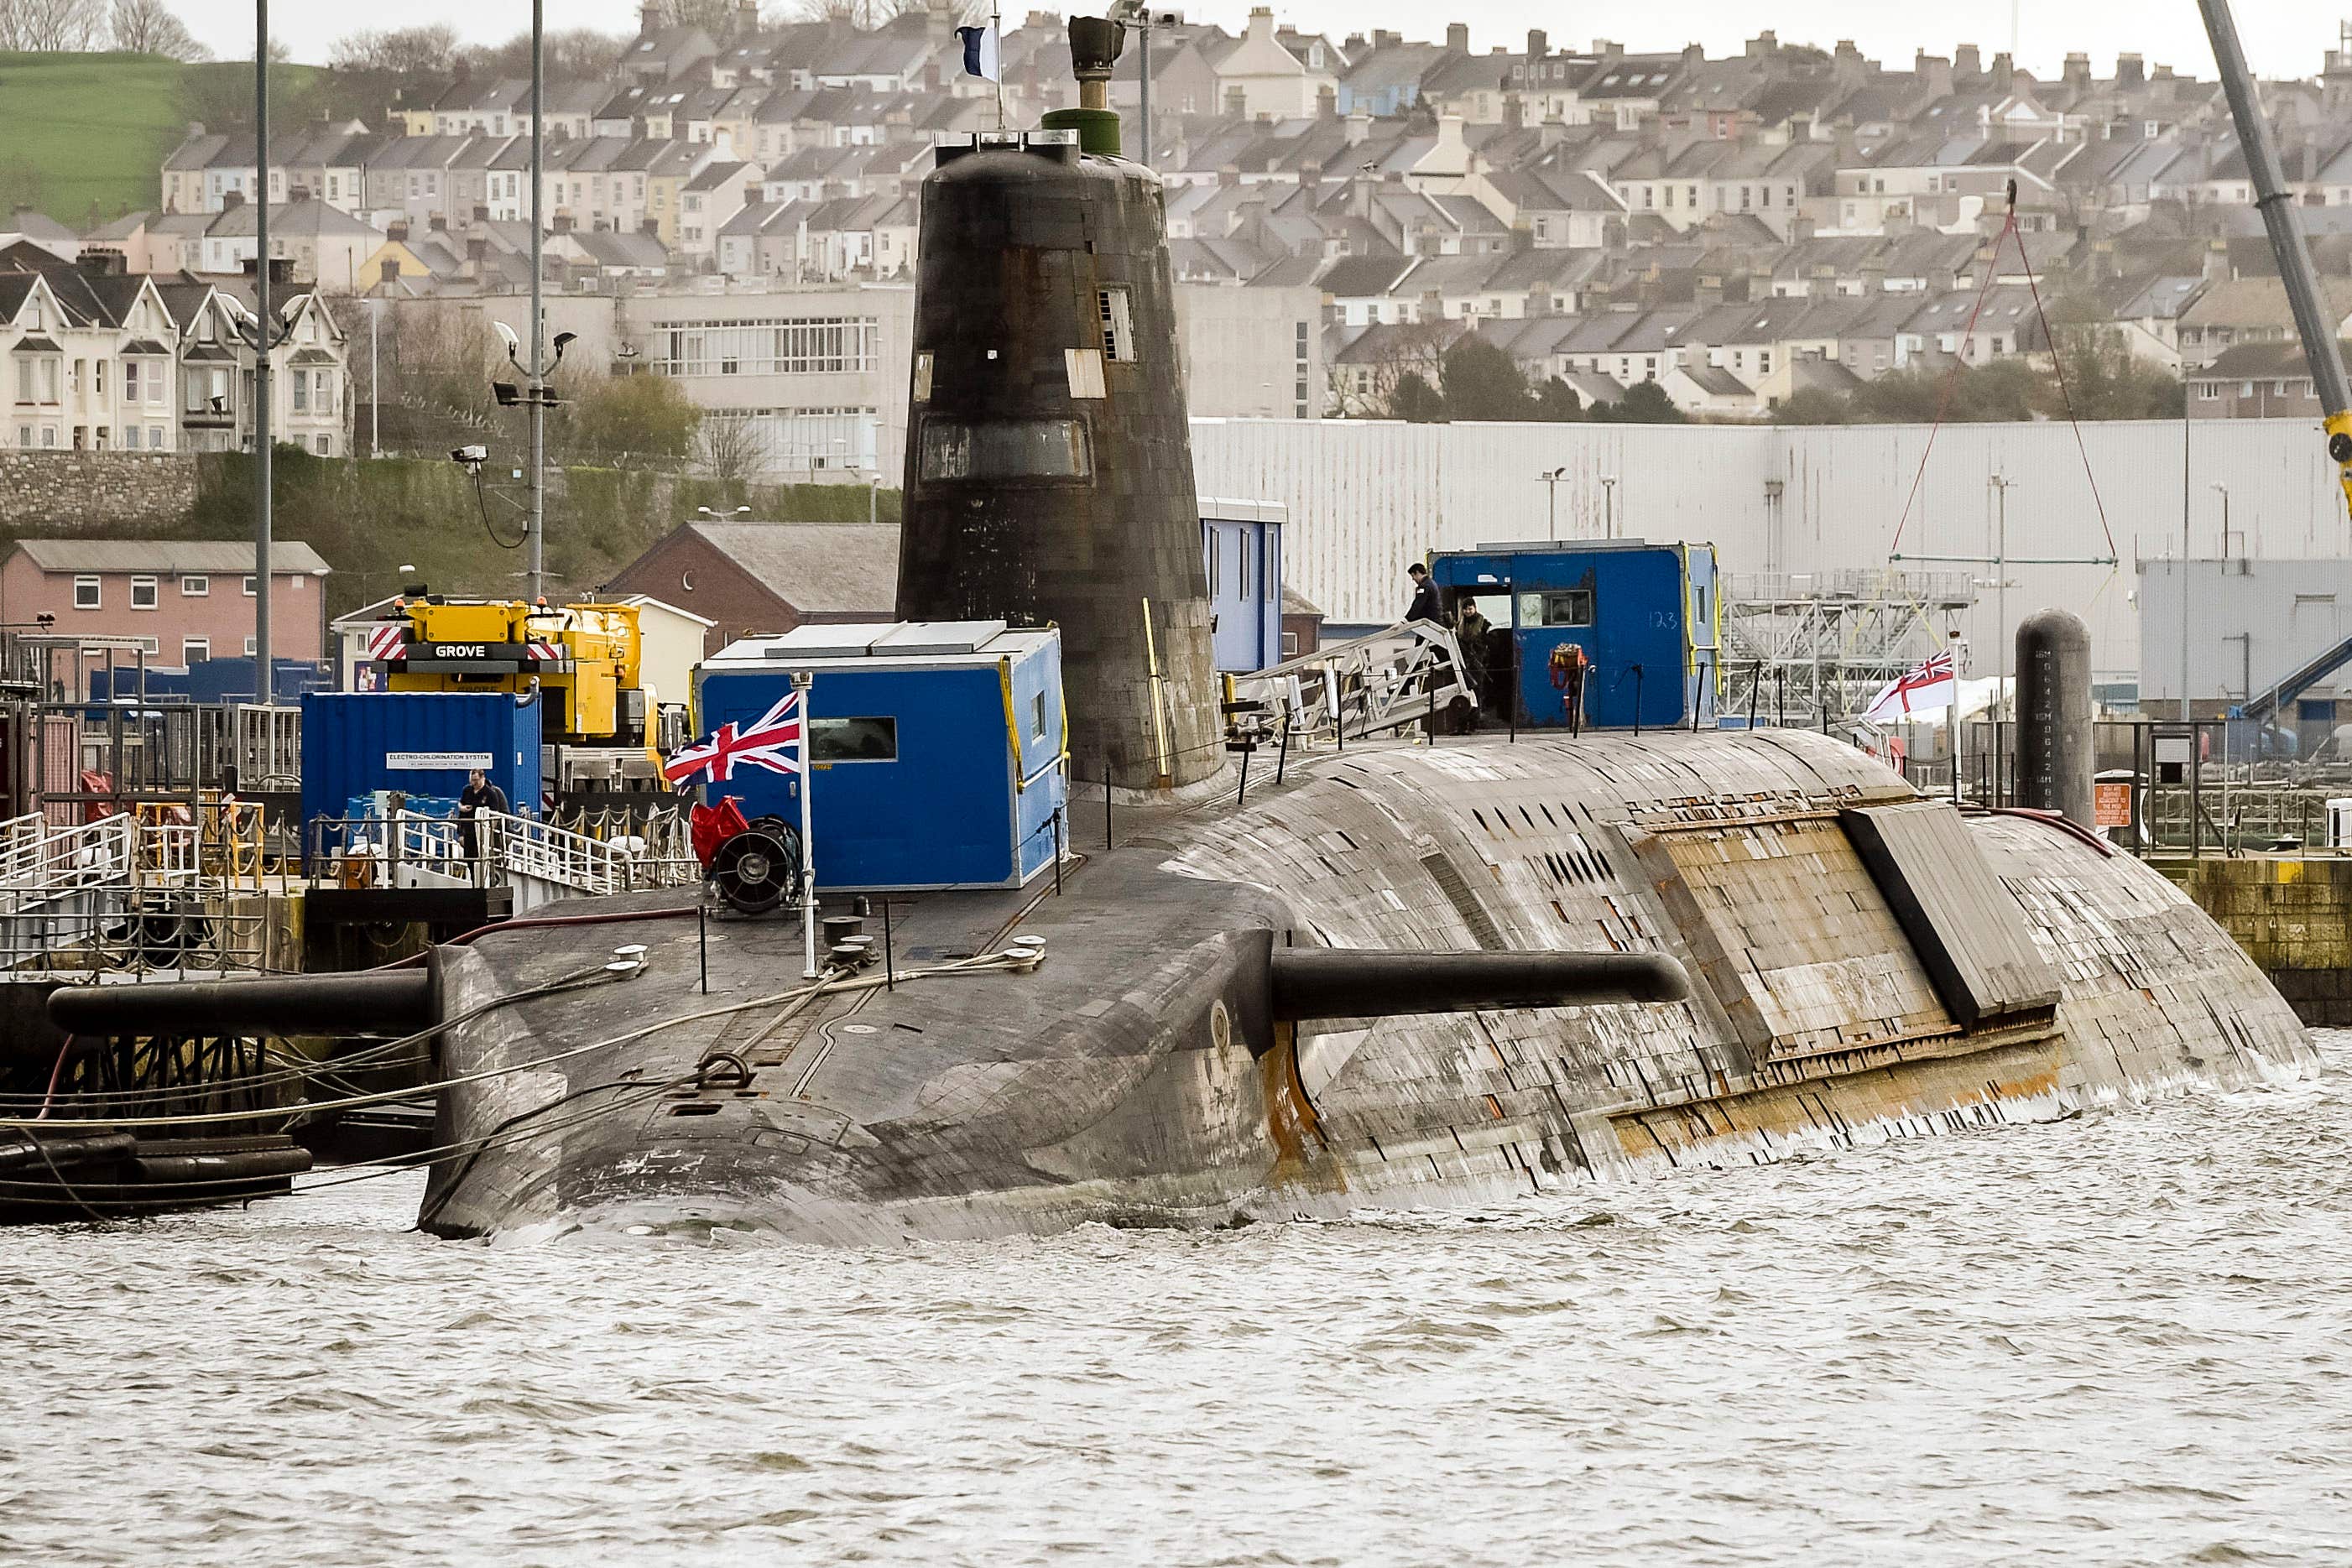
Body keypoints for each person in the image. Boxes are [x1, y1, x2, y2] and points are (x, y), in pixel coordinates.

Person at [457, 767, 508, 867]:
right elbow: (461, 811)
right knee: (469, 859)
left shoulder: (490, 794)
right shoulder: (467, 790)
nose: (474, 783)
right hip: (468, 830)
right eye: (472, 780)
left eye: (476, 780)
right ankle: (472, 878)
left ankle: (481, 879)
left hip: (481, 832)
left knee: (480, 858)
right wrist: (461, 833)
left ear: (482, 778)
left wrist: (489, 832)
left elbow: (495, 815)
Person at [1405, 561, 1441, 625]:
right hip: (1435, 621)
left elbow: (1418, 605)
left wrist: (1405, 620)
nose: (1413, 579)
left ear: (1418, 572)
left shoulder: (1424, 586)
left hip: (1428, 623)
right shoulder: (1432, 583)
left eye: (1413, 576)